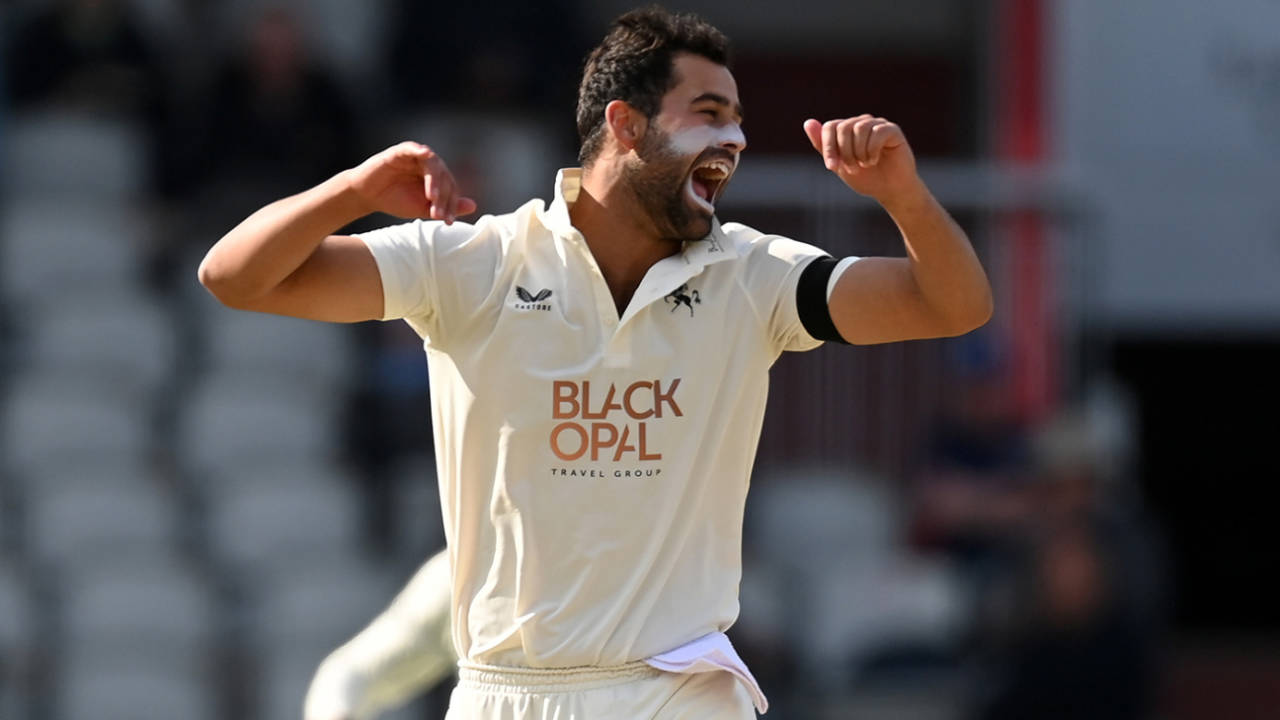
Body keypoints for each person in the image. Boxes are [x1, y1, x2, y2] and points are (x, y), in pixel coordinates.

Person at [198, 7, 992, 718]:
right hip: (501, 694)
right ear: (628, 124)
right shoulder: (473, 263)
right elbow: (234, 278)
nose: (737, 142)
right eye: (709, 115)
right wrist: (351, 189)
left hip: (677, 689)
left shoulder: (755, 276)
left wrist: (904, 197)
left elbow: (953, 306)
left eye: (739, 122)